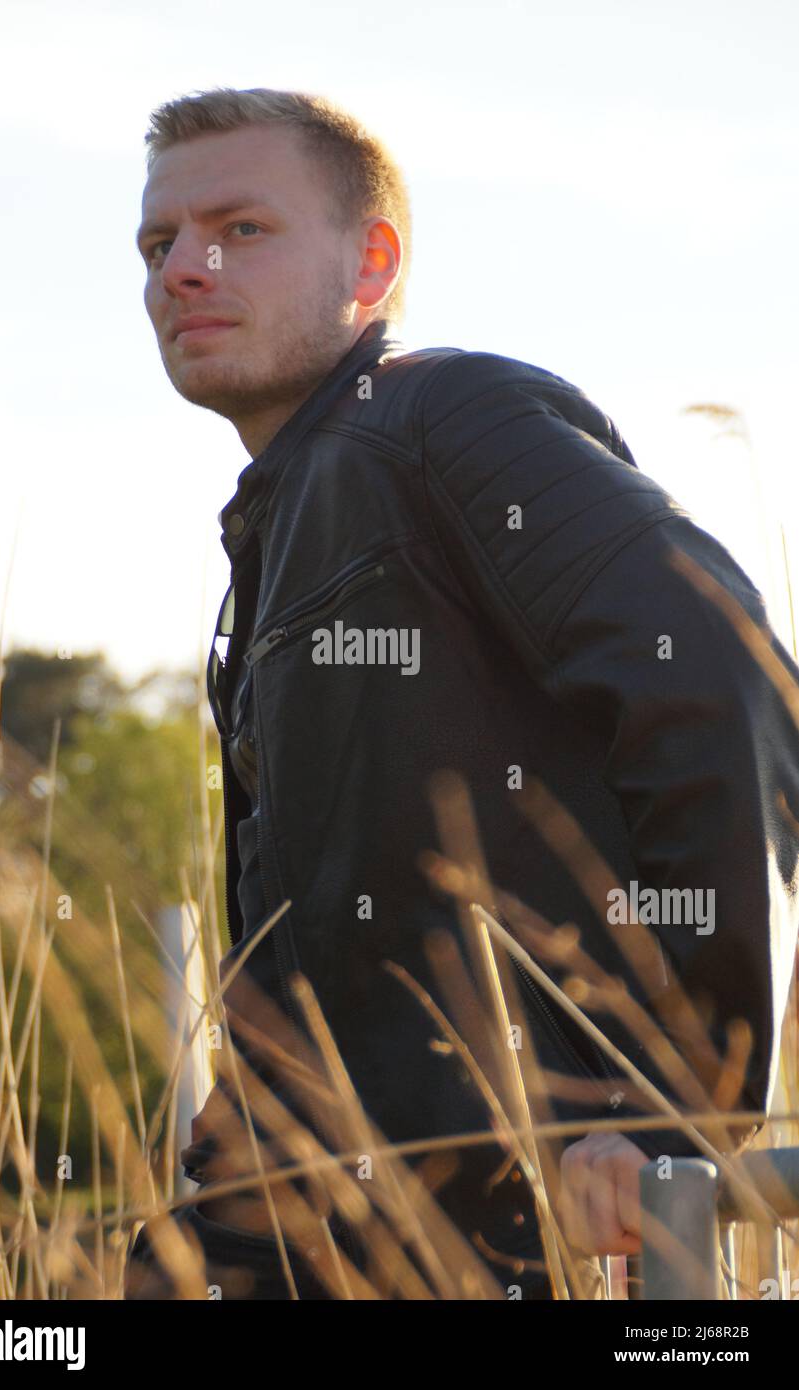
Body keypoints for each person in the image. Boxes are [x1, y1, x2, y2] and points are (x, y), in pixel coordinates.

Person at [125, 85, 799, 1299]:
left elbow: (720, 670)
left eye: (242, 228)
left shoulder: (444, 420)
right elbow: (328, 927)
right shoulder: (281, 534)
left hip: (510, 1230)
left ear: (370, 259)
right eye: (158, 243)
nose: (184, 268)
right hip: (319, 1232)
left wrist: (677, 1105)